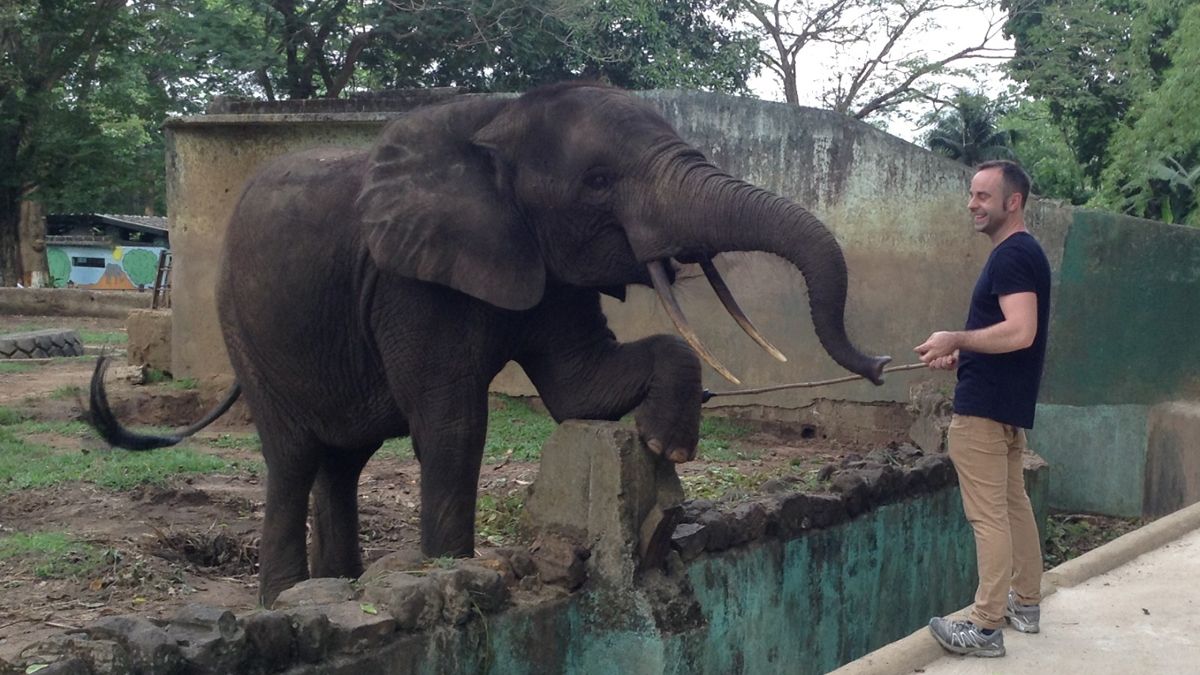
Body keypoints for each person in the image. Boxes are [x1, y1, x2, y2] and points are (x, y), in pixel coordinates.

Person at [914, 160, 1051, 658]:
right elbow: (1010, 336)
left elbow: (1021, 331)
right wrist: (962, 352)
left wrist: (956, 336)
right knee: (1014, 508)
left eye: (982, 197)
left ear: (1011, 202)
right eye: (971, 195)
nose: (972, 204)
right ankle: (1026, 605)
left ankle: (986, 626)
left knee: (988, 518)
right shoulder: (1024, 252)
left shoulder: (1011, 256)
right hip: (1006, 408)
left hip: (982, 414)